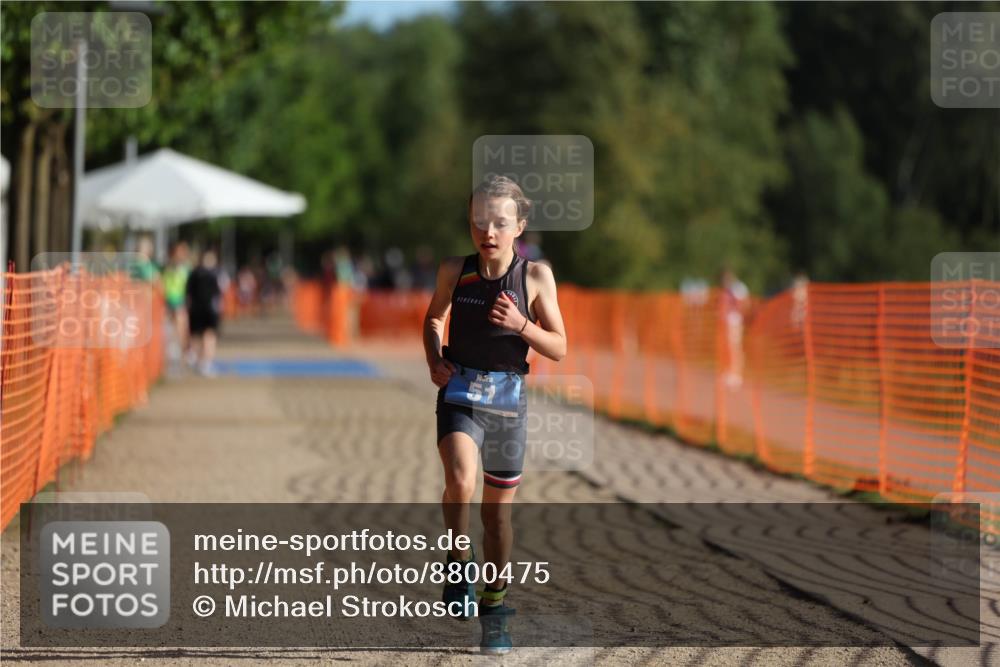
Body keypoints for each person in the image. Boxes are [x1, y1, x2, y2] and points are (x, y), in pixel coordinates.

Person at [422, 175, 567, 654]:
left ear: (519, 225)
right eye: (479, 221)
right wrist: (433, 357)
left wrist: (522, 324)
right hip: (461, 393)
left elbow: (560, 348)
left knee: (497, 519)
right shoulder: (453, 271)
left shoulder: (535, 277)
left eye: (500, 223)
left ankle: (495, 606)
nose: (488, 231)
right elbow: (434, 318)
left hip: (508, 405)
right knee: (460, 481)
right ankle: (458, 560)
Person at [186, 249, 223, 377]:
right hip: (208, 310)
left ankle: (196, 358)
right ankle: (205, 362)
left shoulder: (193, 273)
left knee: (197, 335)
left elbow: (188, 293)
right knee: (209, 336)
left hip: (196, 310)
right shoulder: (215, 274)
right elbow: (219, 293)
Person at [161, 241, 191, 367]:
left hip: (180, 301)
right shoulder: (168, 268)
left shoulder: (186, 268)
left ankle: (184, 354)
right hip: (167, 301)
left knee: (181, 329)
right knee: (169, 329)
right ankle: (170, 353)